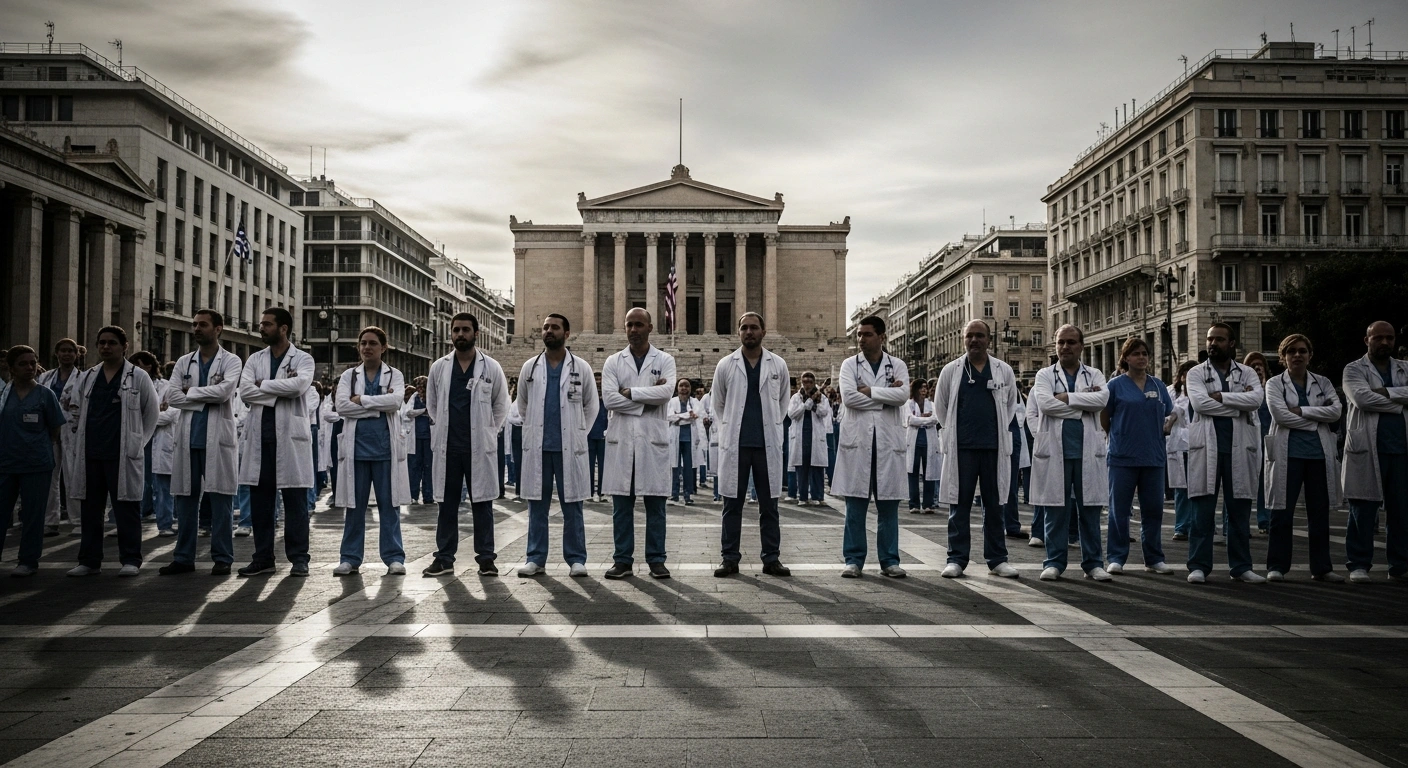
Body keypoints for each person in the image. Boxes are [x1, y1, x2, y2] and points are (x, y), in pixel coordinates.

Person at [422, 312, 510, 577]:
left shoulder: (491, 367)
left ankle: (486, 558)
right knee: (446, 505)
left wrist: (487, 432)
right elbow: (433, 404)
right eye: (456, 330)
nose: (460, 335)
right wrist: (444, 429)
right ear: (451, 333)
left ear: (476, 333)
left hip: (478, 447)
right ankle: (444, 558)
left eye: (465, 330)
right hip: (449, 447)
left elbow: (501, 404)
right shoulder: (439, 367)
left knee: (482, 504)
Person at [67, 326, 159, 577]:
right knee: (90, 509)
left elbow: (151, 414)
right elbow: (76, 410)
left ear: (124, 346)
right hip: (92, 452)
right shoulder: (88, 377)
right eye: (102, 343)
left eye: (112, 343)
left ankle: (130, 559)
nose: (106, 347)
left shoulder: (138, 376)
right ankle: (89, 560)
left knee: (126, 508)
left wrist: (136, 444)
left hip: (122, 454)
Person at [160, 309, 243, 576]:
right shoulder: (184, 362)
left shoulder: (231, 361)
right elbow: (172, 397)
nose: (196, 328)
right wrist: (199, 395)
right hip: (188, 438)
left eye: (203, 325)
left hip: (218, 439)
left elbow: (224, 393)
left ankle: (222, 557)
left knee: (221, 501)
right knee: (185, 500)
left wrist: (191, 393)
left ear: (218, 329)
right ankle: (183, 557)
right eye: (194, 324)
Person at [935, 320, 1020, 579]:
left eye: (979, 336)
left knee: (995, 505)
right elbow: (941, 408)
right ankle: (956, 559)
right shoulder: (951, 371)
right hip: (963, 448)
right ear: (963, 340)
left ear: (989, 339)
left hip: (994, 448)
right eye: (969, 336)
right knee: (959, 505)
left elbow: (1010, 406)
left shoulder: (1003, 370)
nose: (974, 340)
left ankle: (997, 559)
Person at [515, 313, 598, 577]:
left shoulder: (581, 367)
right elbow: (523, 405)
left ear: (567, 333)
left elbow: (591, 406)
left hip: (568, 447)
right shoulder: (530, 367)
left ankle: (576, 558)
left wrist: (576, 433)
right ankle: (535, 558)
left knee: (572, 505)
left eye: (555, 327)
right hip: (539, 447)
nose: (549, 331)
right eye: (545, 327)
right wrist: (535, 430)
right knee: (536, 506)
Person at [710, 312, 792, 577]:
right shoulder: (725, 365)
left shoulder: (778, 365)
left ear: (764, 332)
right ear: (738, 332)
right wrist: (729, 429)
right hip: (737, 445)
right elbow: (718, 405)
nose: (749, 332)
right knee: (732, 505)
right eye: (744, 328)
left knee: (770, 506)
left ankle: (771, 558)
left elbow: (782, 403)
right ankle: (730, 557)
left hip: (766, 445)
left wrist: (771, 427)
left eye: (754, 328)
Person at [236, 308, 316, 578]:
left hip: (290, 441)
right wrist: (276, 387)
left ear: (283, 328)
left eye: (267, 324)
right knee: (261, 504)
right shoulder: (255, 359)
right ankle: (263, 558)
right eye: (261, 323)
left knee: (295, 503)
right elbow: (245, 390)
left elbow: (299, 386)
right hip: (261, 439)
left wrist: (264, 386)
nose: (262, 328)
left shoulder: (303, 358)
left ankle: (299, 558)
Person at [1027, 325, 1111, 581]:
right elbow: (1044, 405)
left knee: (1090, 510)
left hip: (1087, 451)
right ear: (1055, 345)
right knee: (1055, 509)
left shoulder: (1094, 374)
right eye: (1061, 342)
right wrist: (1082, 404)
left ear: (1081, 346)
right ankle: (1054, 561)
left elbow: (1102, 401)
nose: (1065, 347)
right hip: (1055, 451)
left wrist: (1065, 398)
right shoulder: (1044, 374)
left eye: (1071, 342)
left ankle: (1093, 563)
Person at [1185, 323, 1266, 584]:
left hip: (1239, 448)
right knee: (1202, 512)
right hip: (1206, 448)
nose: (1212, 344)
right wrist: (1236, 405)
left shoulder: (1248, 373)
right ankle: (1198, 565)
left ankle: (1241, 566)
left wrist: (1221, 398)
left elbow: (1256, 400)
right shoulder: (1196, 373)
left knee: (1239, 511)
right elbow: (1200, 403)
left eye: (1219, 339)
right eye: (1210, 339)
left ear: (1232, 343)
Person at [600, 308, 677, 579]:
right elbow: (609, 399)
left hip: (651, 441)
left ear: (650, 327)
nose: (633, 330)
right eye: (629, 325)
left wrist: (631, 393)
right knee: (622, 506)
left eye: (639, 325)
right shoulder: (613, 361)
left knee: (656, 505)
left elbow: (666, 393)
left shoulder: (665, 359)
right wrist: (647, 399)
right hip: (622, 442)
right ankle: (622, 560)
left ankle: (656, 559)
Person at [833, 315, 910, 578]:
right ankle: (853, 559)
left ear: (881, 337)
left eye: (866, 334)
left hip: (887, 441)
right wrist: (885, 396)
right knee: (856, 503)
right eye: (859, 335)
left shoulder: (897, 365)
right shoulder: (849, 365)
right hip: (859, 441)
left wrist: (870, 391)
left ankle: (889, 560)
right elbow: (849, 398)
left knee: (888, 504)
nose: (861, 339)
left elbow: (903, 396)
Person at [1264, 333, 1343, 582]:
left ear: (1310, 355)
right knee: (1281, 512)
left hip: (1319, 455)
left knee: (1319, 513)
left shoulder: (1323, 382)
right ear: (1283, 357)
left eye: (1302, 351)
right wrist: (1315, 419)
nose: (1297, 355)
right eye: (1291, 351)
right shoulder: (1275, 384)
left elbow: (1336, 412)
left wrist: (1302, 411)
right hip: (1288, 454)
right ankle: (1277, 565)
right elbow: (1280, 416)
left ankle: (1321, 567)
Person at [332, 327, 410, 576]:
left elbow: (396, 402)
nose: (367, 347)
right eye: (363, 343)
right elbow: (342, 407)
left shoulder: (394, 374)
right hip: (356, 450)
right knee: (354, 507)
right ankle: (350, 557)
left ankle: (394, 557)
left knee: (390, 505)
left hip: (386, 450)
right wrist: (377, 406)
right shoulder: (348, 376)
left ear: (383, 347)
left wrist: (362, 401)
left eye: (373, 343)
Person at [1100, 337, 1176, 576]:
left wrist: (1169, 424)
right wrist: (1117, 435)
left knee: (1153, 510)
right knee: (1119, 510)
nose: (1141, 357)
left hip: (1153, 457)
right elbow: (1104, 417)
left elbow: (1170, 412)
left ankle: (1154, 558)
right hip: (1123, 456)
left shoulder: (1158, 385)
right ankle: (1116, 557)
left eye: (1144, 353)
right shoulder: (1115, 385)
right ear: (1125, 358)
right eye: (1135, 354)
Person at [1341, 320, 1408, 583]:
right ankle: (1358, 564)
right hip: (1367, 449)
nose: (1385, 343)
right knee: (1362, 509)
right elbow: (1362, 399)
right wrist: (1400, 403)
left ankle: (1399, 565)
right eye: (1378, 337)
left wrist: (1386, 392)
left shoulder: (1403, 368)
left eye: (1389, 338)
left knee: (1401, 511)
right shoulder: (1353, 369)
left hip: (1400, 450)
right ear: (1366, 340)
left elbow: (1373, 398)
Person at [0, 346, 67, 576]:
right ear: (10, 368)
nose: (29, 368)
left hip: (37, 463)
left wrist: (36, 447)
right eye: (23, 363)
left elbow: (55, 429)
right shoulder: (3, 394)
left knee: (33, 514)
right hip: (6, 462)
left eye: (32, 362)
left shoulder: (45, 395)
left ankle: (28, 561)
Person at [130, 352, 176, 538]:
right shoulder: (129, 387)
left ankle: (165, 524)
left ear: (148, 366)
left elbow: (171, 414)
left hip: (159, 442)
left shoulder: (167, 387)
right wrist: (156, 411)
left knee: (162, 487)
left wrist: (145, 415)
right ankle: (134, 520)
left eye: (137, 365)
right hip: (140, 442)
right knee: (136, 485)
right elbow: (125, 415)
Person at [38, 339, 81, 537]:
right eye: (63, 350)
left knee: (74, 474)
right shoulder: (45, 378)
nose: (66, 354)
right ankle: (50, 521)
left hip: (73, 429)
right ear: (56, 353)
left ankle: (78, 520)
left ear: (76, 354)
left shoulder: (83, 377)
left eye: (70, 351)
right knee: (49, 476)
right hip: (49, 430)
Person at [789, 371, 833, 507]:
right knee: (802, 468)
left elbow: (824, 412)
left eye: (809, 382)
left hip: (815, 436)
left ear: (814, 383)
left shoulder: (821, 397)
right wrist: (804, 406)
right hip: (801, 436)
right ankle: (802, 496)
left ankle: (817, 496)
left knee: (817, 468)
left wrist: (813, 406)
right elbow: (791, 414)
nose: (807, 384)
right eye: (804, 382)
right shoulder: (796, 397)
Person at [1167, 361, 1196, 541]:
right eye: (1186, 373)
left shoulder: (1201, 393)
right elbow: (1169, 412)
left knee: (1198, 488)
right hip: (1179, 445)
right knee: (1181, 489)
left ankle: (1198, 524)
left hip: (1197, 444)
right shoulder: (1172, 391)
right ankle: (1181, 526)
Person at [903, 379, 939, 514]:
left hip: (928, 442)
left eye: (925, 387)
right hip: (914, 442)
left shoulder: (932, 404)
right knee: (913, 473)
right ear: (916, 389)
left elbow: (935, 419)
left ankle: (928, 504)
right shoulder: (908, 404)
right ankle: (914, 504)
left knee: (929, 474)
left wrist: (919, 418)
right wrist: (924, 418)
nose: (924, 390)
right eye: (921, 387)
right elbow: (910, 420)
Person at [667, 378, 704, 504]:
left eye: (686, 386)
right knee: (674, 466)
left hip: (689, 438)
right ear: (677, 388)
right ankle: (674, 493)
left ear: (690, 388)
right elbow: (670, 417)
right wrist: (687, 416)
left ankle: (688, 495)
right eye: (681, 386)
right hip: (675, 437)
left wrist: (679, 416)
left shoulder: (695, 402)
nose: (684, 388)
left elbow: (696, 415)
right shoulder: (671, 401)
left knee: (688, 468)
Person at [1003, 389, 1030, 538]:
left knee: (1012, 484)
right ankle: (995, 524)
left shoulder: (1013, 390)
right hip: (993, 435)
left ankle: (1012, 525)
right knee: (992, 484)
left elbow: (1021, 415)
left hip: (1013, 437)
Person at [405, 376, 434, 504]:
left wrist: (426, 413)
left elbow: (436, 412)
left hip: (429, 437)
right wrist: (423, 411)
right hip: (416, 437)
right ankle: (413, 495)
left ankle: (428, 496)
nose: (420, 389)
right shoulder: (414, 397)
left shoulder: (432, 396)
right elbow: (408, 412)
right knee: (414, 467)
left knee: (429, 467)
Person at [588, 372, 608, 502]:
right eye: (596, 379)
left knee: (603, 465)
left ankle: (601, 492)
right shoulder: (589, 395)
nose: (598, 382)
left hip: (604, 434)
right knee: (589, 465)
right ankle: (589, 492)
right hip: (589, 434)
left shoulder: (607, 395)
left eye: (600, 379)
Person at [506, 382, 523, 499]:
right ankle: (519, 490)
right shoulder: (514, 404)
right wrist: (519, 420)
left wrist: (520, 420)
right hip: (516, 434)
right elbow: (510, 417)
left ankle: (524, 491)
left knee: (525, 464)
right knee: (517, 463)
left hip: (524, 433)